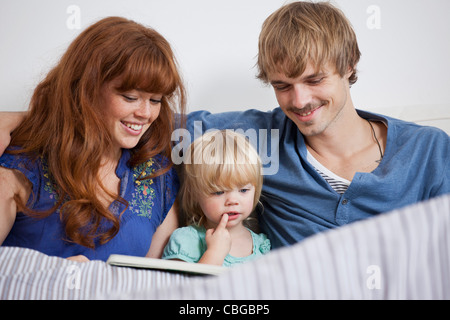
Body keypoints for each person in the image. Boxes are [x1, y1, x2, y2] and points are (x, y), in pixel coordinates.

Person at [1, 2, 449, 250]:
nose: (300, 101)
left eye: (315, 80)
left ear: (349, 66)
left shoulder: (429, 152)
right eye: (282, 85)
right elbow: (136, 121)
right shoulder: (260, 140)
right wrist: (25, 120)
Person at [0, 16, 186, 262]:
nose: (146, 113)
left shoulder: (157, 175)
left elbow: (158, 285)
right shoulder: (20, 164)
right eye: (130, 97)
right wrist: (49, 277)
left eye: (156, 100)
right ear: (85, 89)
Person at [162, 130, 270, 266]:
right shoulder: (186, 241)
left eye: (243, 190)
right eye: (218, 192)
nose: (232, 201)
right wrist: (215, 252)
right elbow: (183, 287)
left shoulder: (262, 246)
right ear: (195, 194)